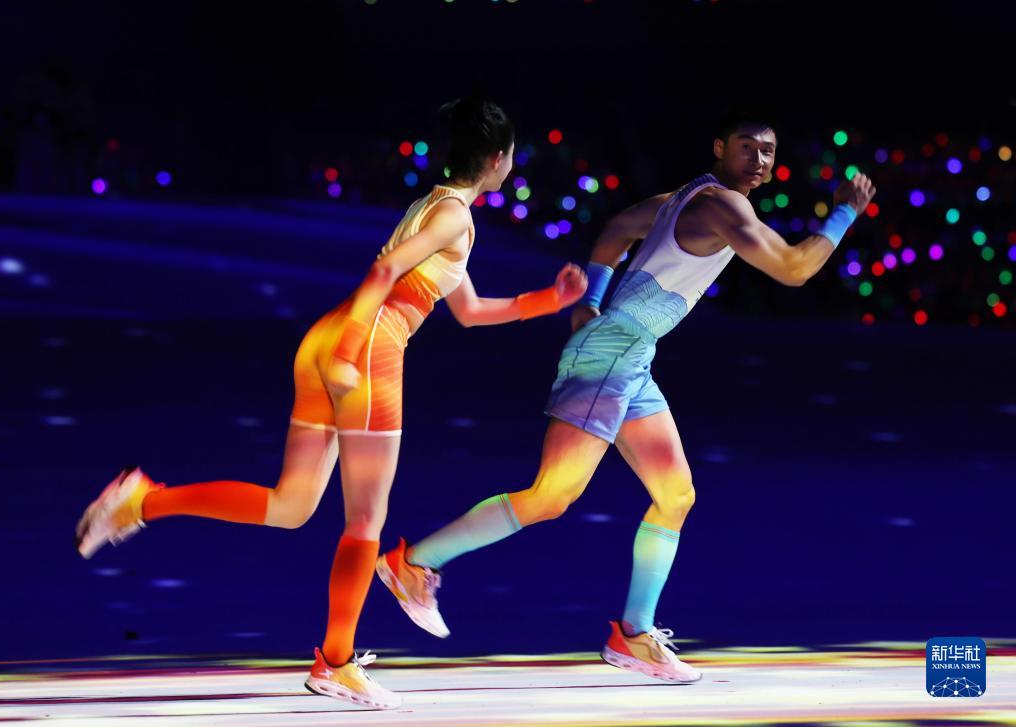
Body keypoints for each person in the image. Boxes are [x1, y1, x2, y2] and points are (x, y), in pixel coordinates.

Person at [74, 95, 588, 709]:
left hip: (328, 338)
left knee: (290, 505)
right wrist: (349, 354)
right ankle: (336, 663)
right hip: (365, 349)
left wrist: (548, 301)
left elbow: (470, 311)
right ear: (500, 159)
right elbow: (385, 273)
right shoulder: (453, 217)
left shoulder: (437, 207)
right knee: (365, 522)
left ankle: (142, 501)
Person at [377, 110, 877, 684]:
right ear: (719, 147)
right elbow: (794, 268)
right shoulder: (723, 206)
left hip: (631, 359)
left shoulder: (684, 197)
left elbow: (617, 227)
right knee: (550, 497)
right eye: (747, 147)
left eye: (767, 151)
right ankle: (413, 563)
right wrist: (844, 212)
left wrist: (591, 299)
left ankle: (634, 635)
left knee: (675, 494)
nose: (759, 160)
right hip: (611, 358)